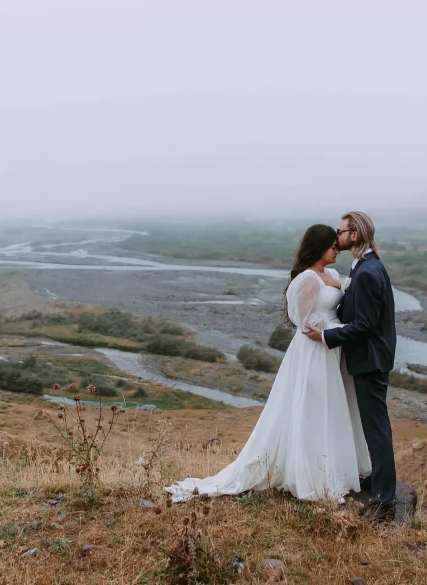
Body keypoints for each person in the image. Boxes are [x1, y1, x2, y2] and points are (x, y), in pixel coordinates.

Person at [165, 224, 370, 503]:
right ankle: (311, 475)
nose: (337, 250)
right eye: (333, 247)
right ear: (319, 248)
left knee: (332, 407)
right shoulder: (306, 280)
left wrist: (336, 322)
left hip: (333, 348)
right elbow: (303, 321)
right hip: (314, 349)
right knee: (312, 407)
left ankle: (332, 469)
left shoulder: (332, 274)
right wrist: (328, 330)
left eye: (337, 246)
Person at [304, 211, 398, 522]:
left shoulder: (369, 271)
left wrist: (326, 335)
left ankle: (385, 497)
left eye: (341, 231)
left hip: (370, 360)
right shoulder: (365, 267)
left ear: (354, 235)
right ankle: (378, 483)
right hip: (369, 358)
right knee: (371, 425)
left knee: (376, 428)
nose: (338, 236)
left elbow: (365, 326)